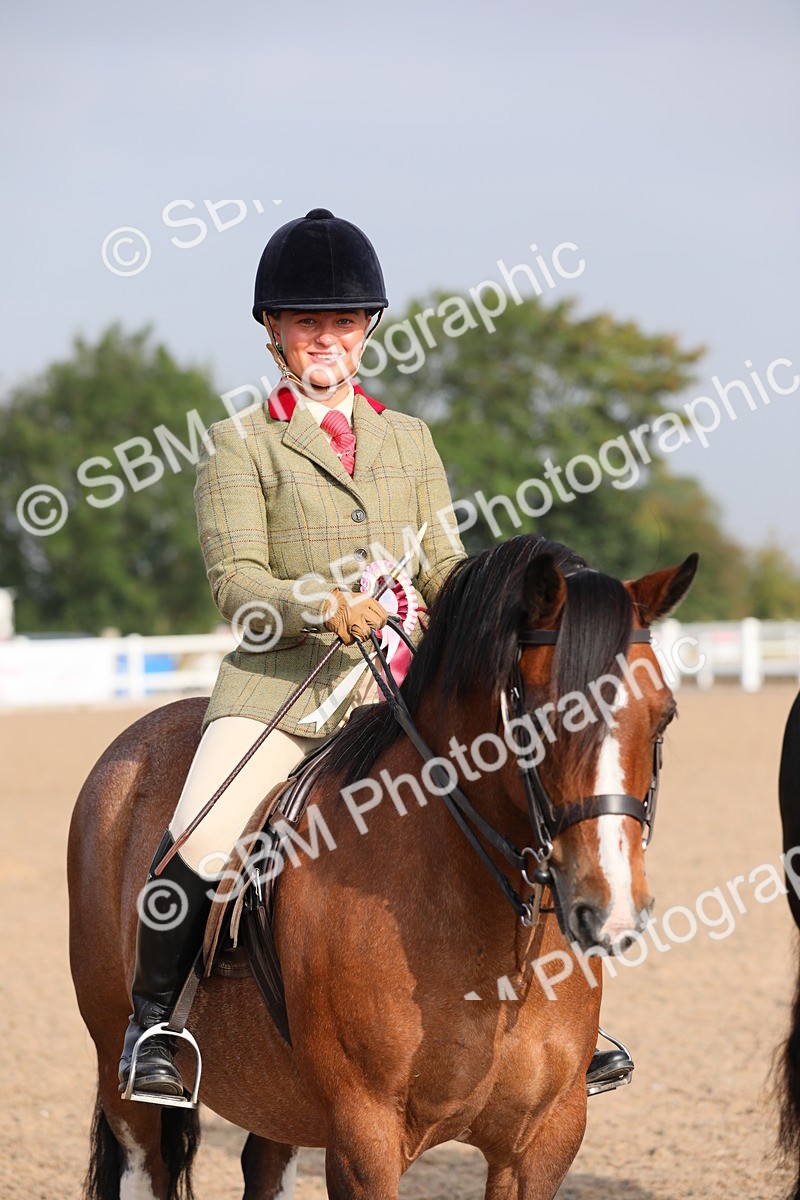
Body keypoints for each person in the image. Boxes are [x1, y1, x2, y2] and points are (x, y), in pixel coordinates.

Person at [118, 207, 633, 1104]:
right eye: (307, 322)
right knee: (200, 831)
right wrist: (324, 607)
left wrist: (501, 602)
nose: (327, 338)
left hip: (405, 687)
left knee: (532, 797)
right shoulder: (242, 444)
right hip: (284, 690)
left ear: (367, 333)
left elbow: (442, 567)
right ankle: (154, 1025)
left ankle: (560, 1019)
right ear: (274, 333)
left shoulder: (410, 441)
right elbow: (237, 585)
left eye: (343, 323)